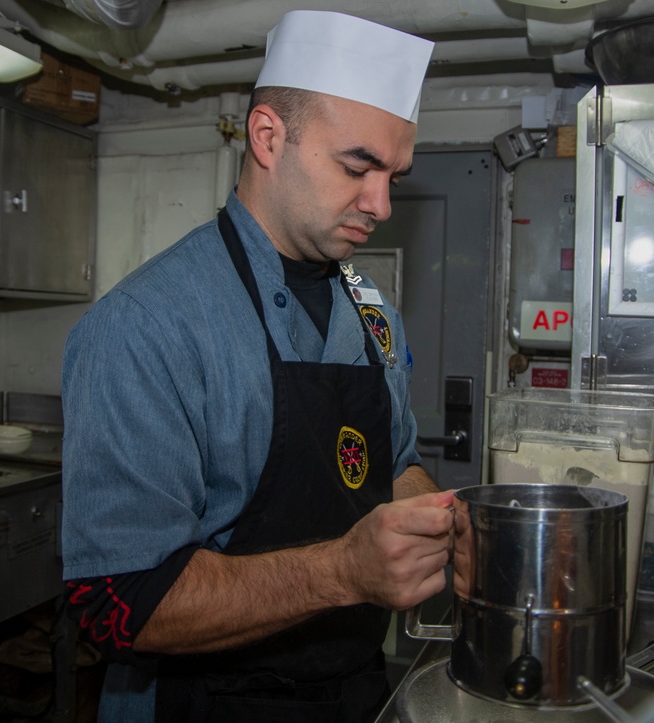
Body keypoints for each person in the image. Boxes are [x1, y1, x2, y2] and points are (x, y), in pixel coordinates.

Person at [59, 11, 453, 722]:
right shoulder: (148, 326)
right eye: (357, 167)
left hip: (354, 694)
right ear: (268, 137)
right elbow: (120, 604)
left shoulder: (371, 313)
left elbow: (394, 465)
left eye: (394, 175)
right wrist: (342, 571)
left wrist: (447, 524)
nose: (381, 204)